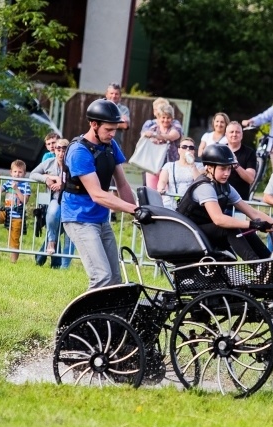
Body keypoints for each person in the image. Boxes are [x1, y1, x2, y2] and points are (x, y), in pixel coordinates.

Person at [61, 99, 143, 289]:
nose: (113, 134)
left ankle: (108, 319)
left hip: (100, 219)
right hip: (79, 218)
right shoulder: (79, 151)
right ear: (94, 124)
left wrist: (137, 214)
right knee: (102, 277)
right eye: (109, 129)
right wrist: (134, 208)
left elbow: (122, 183)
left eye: (115, 129)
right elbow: (97, 194)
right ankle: (81, 319)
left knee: (114, 279)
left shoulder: (110, 145)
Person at [176, 144, 273, 262]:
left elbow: (252, 212)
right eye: (222, 169)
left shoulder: (225, 187)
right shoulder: (205, 187)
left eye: (229, 168)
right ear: (210, 168)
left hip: (203, 231)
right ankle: (259, 267)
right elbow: (219, 219)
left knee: (243, 228)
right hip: (188, 233)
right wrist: (251, 224)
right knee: (230, 227)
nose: (227, 173)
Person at [30, 137, 73, 267]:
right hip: (56, 200)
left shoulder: (73, 164)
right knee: (53, 214)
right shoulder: (48, 162)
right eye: (58, 150)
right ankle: (51, 242)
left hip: (72, 202)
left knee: (69, 233)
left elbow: (79, 181)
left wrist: (63, 183)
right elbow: (33, 174)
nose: (60, 153)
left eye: (64, 150)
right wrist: (48, 178)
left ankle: (64, 266)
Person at [139, 103, 182, 190]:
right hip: (153, 166)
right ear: (158, 118)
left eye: (168, 117)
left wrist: (154, 135)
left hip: (169, 167)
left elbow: (171, 136)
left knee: (165, 193)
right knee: (151, 191)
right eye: (163, 117)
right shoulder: (153, 128)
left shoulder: (176, 127)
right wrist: (146, 135)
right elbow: (144, 137)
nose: (166, 120)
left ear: (172, 118)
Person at [157, 136, 202, 210]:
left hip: (190, 205)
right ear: (179, 150)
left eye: (191, 148)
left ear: (194, 151)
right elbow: (162, 181)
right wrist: (161, 188)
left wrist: (192, 165)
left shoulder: (199, 166)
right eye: (184, 147)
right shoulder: (169, 166)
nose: (188, 149)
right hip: (171, 202)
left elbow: (199, 182)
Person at [224, 121, 257, 201]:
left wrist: (236, 165)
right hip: (220, 199)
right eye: (231, 132)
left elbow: (250, 179)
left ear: (242, 135)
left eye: (237, 132)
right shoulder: (220, 150)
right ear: (226, 135)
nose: (234, 134)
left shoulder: (250, 153)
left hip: (240, 201)